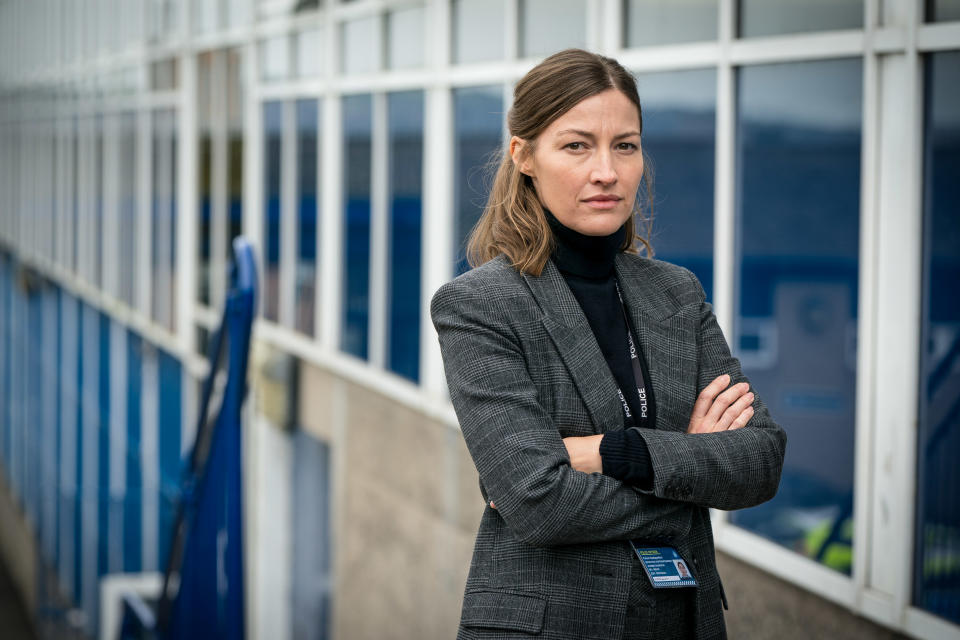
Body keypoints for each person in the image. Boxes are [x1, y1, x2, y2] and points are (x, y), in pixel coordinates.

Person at [431, 49, 786, 640]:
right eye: (576, 146)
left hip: (681, 622)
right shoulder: (481, 305)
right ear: (524, 156)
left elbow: (760, 460)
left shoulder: (675, 293)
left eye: (625, 145)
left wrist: (617, 454)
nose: (607, 171)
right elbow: (535, 499)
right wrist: (685, 467)